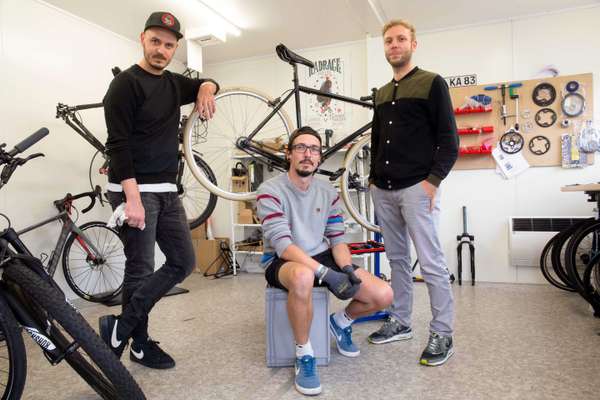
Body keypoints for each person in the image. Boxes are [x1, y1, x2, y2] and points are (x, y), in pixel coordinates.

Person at [98, 11, 219, 369]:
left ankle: (121, 326)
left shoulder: (172, 83)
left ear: (175, 47)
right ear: (142, 39)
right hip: (134, 190)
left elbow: (208, 81)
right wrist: (132, 200)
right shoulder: (124, 86)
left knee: (183, 261)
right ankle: (139, 344)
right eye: (155, 42)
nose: (161, 50)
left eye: (168, 45)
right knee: (141, 268)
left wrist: (207, 89)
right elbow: (118, 145)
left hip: (168, 190)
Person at [257, 126, 393, 395]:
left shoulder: (328, 192)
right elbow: (283, 245)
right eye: (301, 148)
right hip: (283, 259)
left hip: (322, 255)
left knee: (383, 294)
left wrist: (344, 268)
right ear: (289, 154)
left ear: (319, 157)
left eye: (314, 149)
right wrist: (325, 273)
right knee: (303, 276)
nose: (308, 154)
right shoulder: (269, 190)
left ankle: (340, 322)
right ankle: (304, 353)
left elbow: (337, 238)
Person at [367, 19, 459, 367]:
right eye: (389, 40)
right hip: (384, 189)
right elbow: (376, 142)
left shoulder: (431, 83)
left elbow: (450, 142)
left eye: (401, 39)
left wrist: (432, 182)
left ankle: (442, 332)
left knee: (432, 263)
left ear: (413, 45)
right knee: (397, 261)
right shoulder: (381, 92)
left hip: (417, 188)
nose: (394, 45)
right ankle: (401, 321)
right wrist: (373, 180)